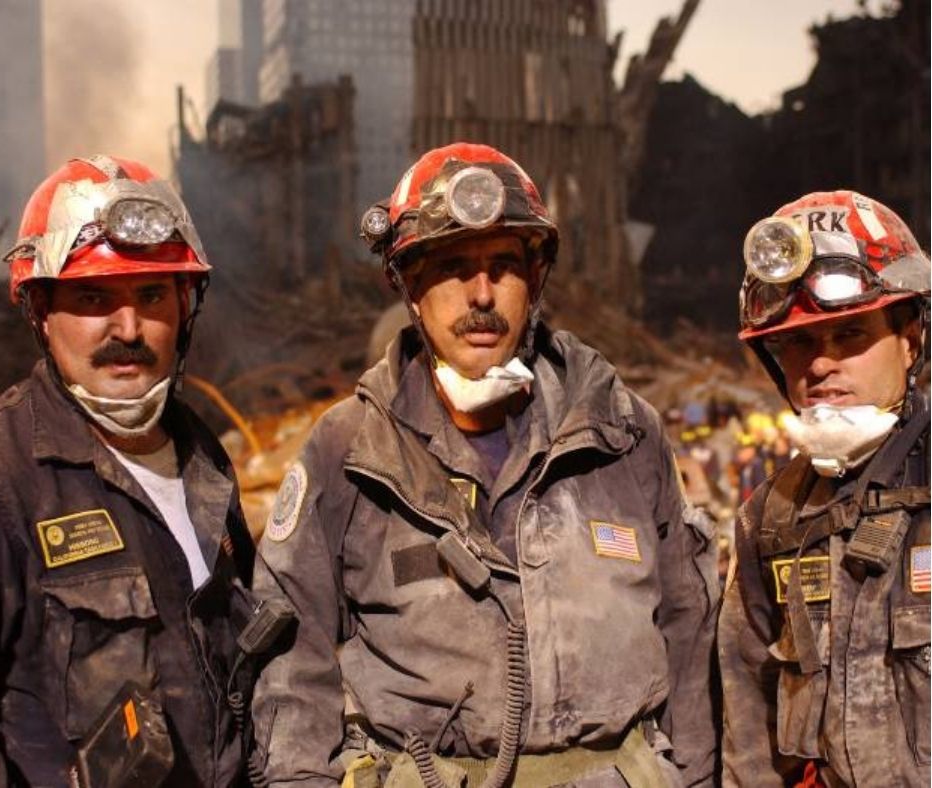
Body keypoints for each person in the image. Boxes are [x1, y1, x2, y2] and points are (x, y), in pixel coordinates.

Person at [251, 142, 719, 786]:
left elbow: (690, 636)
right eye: (451, 266)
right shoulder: (351, 449)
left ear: (535, 279)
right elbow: (290, 666)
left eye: (503, 265)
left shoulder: (622, 431)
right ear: (410, 286)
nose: (481, 294)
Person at [0, 155, 256, 786]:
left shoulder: (203, 454)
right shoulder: (6, 476)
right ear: (41, 312)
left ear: (184, 305)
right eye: (92, 297)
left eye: (150, 295)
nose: (129, 328)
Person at [718, 190, 931, 786]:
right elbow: (747, 732)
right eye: (800, 343)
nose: (820, 365)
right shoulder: (772, 519)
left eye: (850, 336)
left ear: (910, 337)